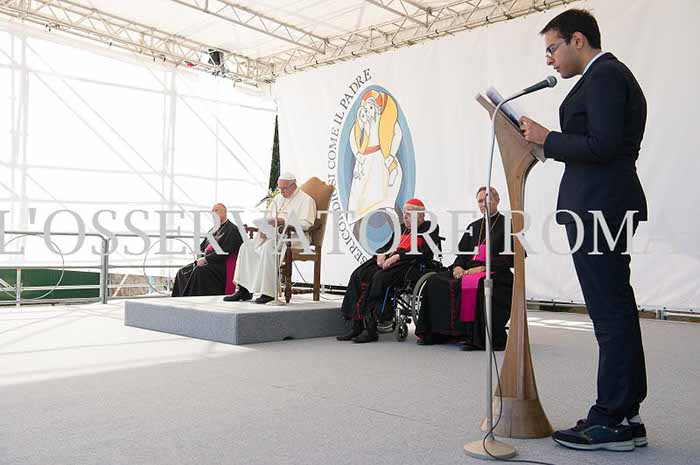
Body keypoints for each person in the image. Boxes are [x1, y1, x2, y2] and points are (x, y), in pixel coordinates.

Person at [520, 9, 648, 452]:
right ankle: (626, 415)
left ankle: (611, 417)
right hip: (599, 203)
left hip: (601, 207)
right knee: (615, 310)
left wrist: (548, 138)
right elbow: (595, 144)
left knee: (610, 314)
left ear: (578, 40)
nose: (549, 60)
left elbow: (603, 145)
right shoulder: (601, 78)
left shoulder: (605, 75)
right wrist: (546, 145)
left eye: (552, 48)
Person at [415, 187, 513, 350]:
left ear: (497, 200)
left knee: (478, 284)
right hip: (468, 270)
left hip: (496, 272)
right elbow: (462, 254)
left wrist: (484, 267)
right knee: (434, 281)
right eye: (480, 201)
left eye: (487, 200)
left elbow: (510, 259)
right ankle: (439, 333)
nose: (483, 204)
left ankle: (474, 337)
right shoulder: (473, 226)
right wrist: (458, 267)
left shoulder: (508, 225)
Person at [337, 198, 441, 344]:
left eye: (409, 213)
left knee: (379, 278)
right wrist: (381, 254)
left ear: (421, 216)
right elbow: (386, 246)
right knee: (358, 274)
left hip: (410, 264)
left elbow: (426, 253)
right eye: (404, 212)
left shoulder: (429, 227)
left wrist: (398, 257)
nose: (405, 216)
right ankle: (357, 325)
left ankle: (371, 328)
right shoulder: (401, 228)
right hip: (391, 262)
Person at [223, 172, 317, 304]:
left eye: (284, 188)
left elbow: (307, 224)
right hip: (273, 235)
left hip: (295, 238)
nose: (281, 191)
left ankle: (268, 292)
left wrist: (284, 221)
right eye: (280, 188)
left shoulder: (306, 200)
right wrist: (263, 229)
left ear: (293, 186)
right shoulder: (278, 198)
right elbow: (269, 218)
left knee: (269, 247)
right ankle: (244, 289)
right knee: (246, 246)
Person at [172, 203, 242, 297]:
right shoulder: (212, 230)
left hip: (222, 265)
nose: (214, 213)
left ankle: (193, 300)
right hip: (209, 262)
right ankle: (181, 300)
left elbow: (226, 252)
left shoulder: (232, 229)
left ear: (225, 212)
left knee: (199, 271)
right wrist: (200, 258)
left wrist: (205, 259)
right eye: (212, 211)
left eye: (217, 210)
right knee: (182, 271)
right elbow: (202, 248)